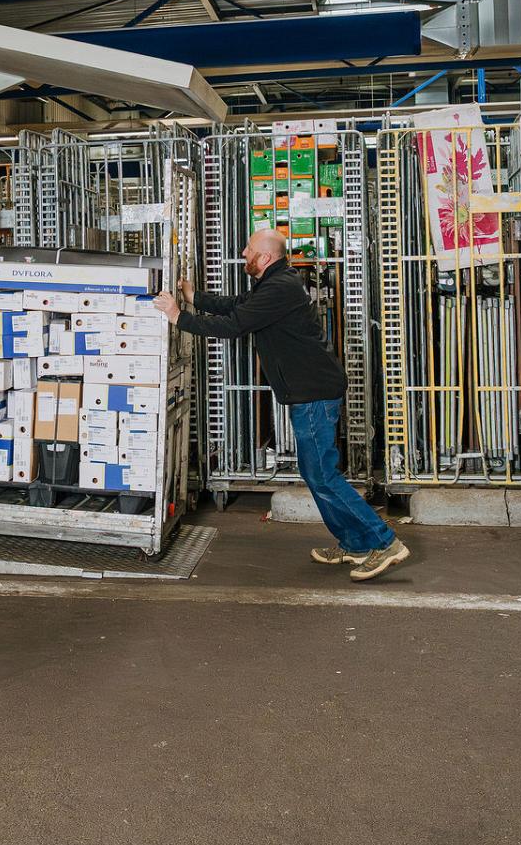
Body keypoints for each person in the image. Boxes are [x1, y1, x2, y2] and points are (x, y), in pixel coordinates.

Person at [153, 229, 409, 582]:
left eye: (250, 249)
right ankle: (355, 543)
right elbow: (237, 305)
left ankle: (386, 543)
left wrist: (178, 316)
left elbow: (234, 325)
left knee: (323, 475)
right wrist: (195, 297)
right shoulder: (273, 282)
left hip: (314, 395)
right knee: (316, 474)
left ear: (266, 258)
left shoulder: (280, 287)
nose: (243, 251)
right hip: (308, 393)